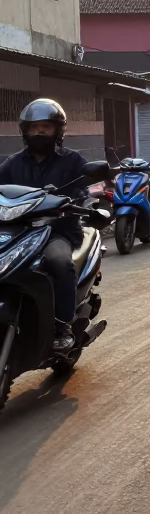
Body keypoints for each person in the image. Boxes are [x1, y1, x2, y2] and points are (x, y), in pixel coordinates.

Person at [0, 99, 90, 351]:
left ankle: (63, 325)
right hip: (19, 232)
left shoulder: (72, 161)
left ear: (58, 130)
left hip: (57, 231)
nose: (39, 132)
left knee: (60, 262)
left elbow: (83, 190)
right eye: (34, 127)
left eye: (46, 127)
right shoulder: (12, 163)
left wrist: (72, 200)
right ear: (25, 131)